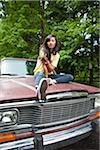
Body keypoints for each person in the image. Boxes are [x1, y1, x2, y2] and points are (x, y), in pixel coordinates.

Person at [34, 34, 73, 101]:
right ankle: (39, 88)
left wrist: (48, 62)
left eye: (52, 41)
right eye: (48, 41)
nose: (50, 42)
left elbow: (51, 69)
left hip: (50, 75)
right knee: (41, 73)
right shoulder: (42, 50)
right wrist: (46, 77)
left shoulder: (56, 55)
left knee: (69, 76)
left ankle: (53, 81)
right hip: (40, 73)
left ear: (55, 43)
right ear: (46, 43)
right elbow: (44, 66)